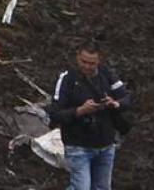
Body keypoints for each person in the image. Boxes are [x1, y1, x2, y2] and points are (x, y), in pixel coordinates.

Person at [47, 41, 132, 190]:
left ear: (99, 61)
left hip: (105, 145)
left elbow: (126, 99)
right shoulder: (67, 79)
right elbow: (54, 114)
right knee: (81, 187)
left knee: (102, 187)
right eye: (83, 61)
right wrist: (81, 110)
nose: (87, 66)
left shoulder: (107, 74)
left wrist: (115, 103)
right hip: (78, 146)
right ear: (77, 57)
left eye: (92, 63)